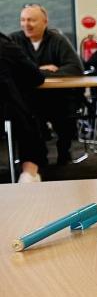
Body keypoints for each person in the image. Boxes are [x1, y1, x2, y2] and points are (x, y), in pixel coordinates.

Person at [17, 3, 84, 165]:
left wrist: (34, 73)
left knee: (64, 115)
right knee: (26, 115)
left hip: (57, 96)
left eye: (32, 20)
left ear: (45, 22)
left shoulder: (58, 40)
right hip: (28, 98)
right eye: (23, 20)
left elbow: (75, 68)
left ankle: (64, 151)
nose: (27, 24)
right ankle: (36, 156)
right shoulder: (14, 40)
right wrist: (41, 70)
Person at [0, 29, 47, 182]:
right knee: (29, 116)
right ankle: (29, 173)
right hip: (7, 113)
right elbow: (37, 78)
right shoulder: (7, 47)